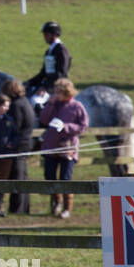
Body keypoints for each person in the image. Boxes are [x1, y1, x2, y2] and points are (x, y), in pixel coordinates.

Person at [39, 78, 89, 219]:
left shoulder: (76, 106)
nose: (56, 94)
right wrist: (50, 103)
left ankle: (67, 208)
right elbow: (43, 119)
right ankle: (57, 202)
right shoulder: (54, 104)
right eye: (55, 92)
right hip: (51, 146)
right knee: (49, 177)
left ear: (66, 92)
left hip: (68, 147)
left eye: (59, 92)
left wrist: (66, 127)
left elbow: (83, 126)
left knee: (65, 178)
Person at [2, 79, 36, 214]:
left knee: (17, 177)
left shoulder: (16, 105)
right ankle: (23, 208)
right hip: (26, 143)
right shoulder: (25, 101)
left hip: (19, 145)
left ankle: (17, 209)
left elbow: (16, 126)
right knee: (22, 176)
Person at [25, 21, 71, 107]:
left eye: (46, 35)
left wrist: (45, 87)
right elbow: (43, 73)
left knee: (35, 101)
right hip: (48, 84)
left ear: (54, 35)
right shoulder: (49, 51)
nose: (44, 37)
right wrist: (27, 83)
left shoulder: (61, 51)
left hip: (57, 87)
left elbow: (61, 73)